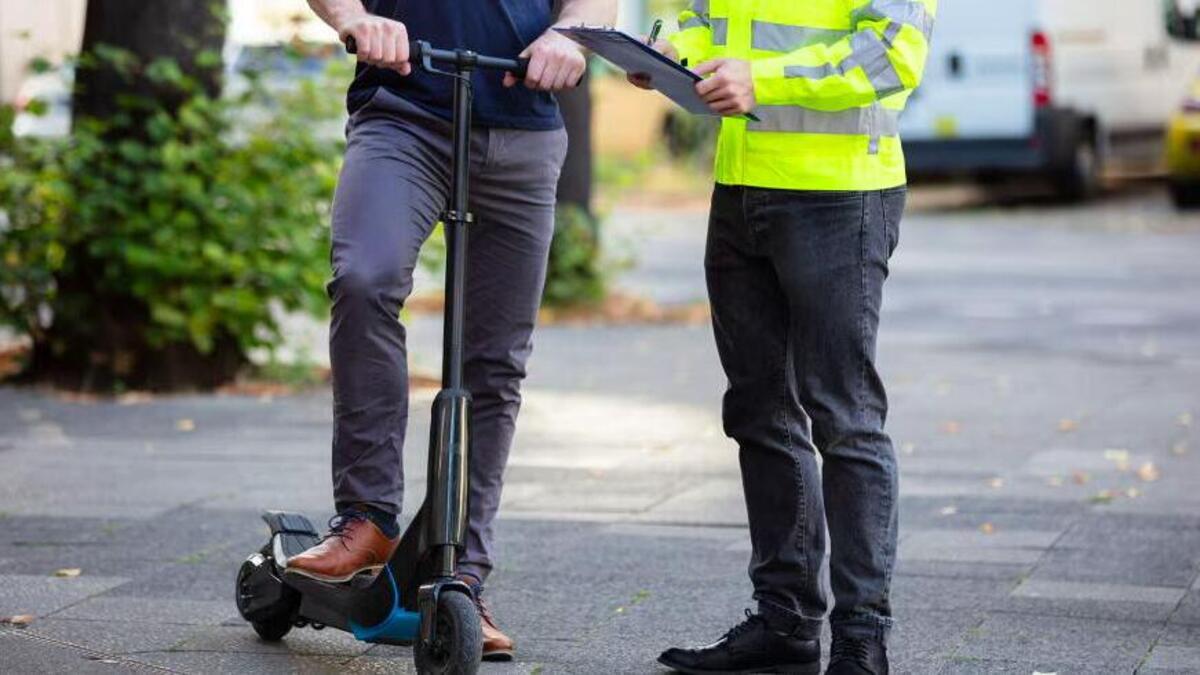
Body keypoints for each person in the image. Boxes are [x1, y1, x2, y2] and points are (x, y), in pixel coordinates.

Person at [289, 0, 616, 661]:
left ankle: (462, 574)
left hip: (524, 126)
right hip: (403, 116)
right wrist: (353, 17)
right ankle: (367, 520)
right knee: (364, 280)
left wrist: (570, 38)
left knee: (494, 363)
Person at [631, 1, 936, 673]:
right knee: (758, 409)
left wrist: (761, 80)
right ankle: (787, 618)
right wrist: (670, 60)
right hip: (740, 186)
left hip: (840, 193)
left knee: (845, 416)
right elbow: (688, 12)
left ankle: (862, 639)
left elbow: (894, 52)